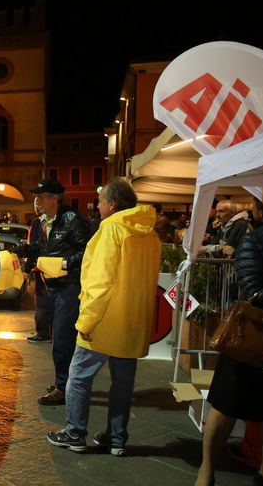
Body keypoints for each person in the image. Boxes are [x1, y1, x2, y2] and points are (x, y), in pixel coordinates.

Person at [191, 173, 263, 486]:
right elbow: (253, 293)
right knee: (227, 405)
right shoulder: (255, 240)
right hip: (252, 334)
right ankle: (206, 474)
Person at [46, 178, 161, 456]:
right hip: (132, 320)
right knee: (122, 382)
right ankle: (117, 437)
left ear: (112, 204)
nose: (97, 206)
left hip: (105, 320)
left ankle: (75, 431)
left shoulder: (111, 230)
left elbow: (101, 280)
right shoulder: (149, 233)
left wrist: (86, 321)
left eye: (100, 201)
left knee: (78, 376)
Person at [20, 178, 92, 405]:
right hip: (51, 286)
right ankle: (65, 381)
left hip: (69, 287)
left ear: (54, 198)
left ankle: (64, 387)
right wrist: (22, 249)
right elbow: (41, 248)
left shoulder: (73, 219)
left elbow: (86, 251)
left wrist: (64, 264)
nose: (37, 201)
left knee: (62, 339)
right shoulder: (44, 221)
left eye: (41, 197)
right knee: (57, 338)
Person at [25, 198, 51, 343]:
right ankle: (52, 330)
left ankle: (42, 332)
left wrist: (28, 268)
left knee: (41, 301)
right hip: (55, 267)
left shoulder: (37, 223)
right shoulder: (56, 221)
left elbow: (34, 247)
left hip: (41, 267)